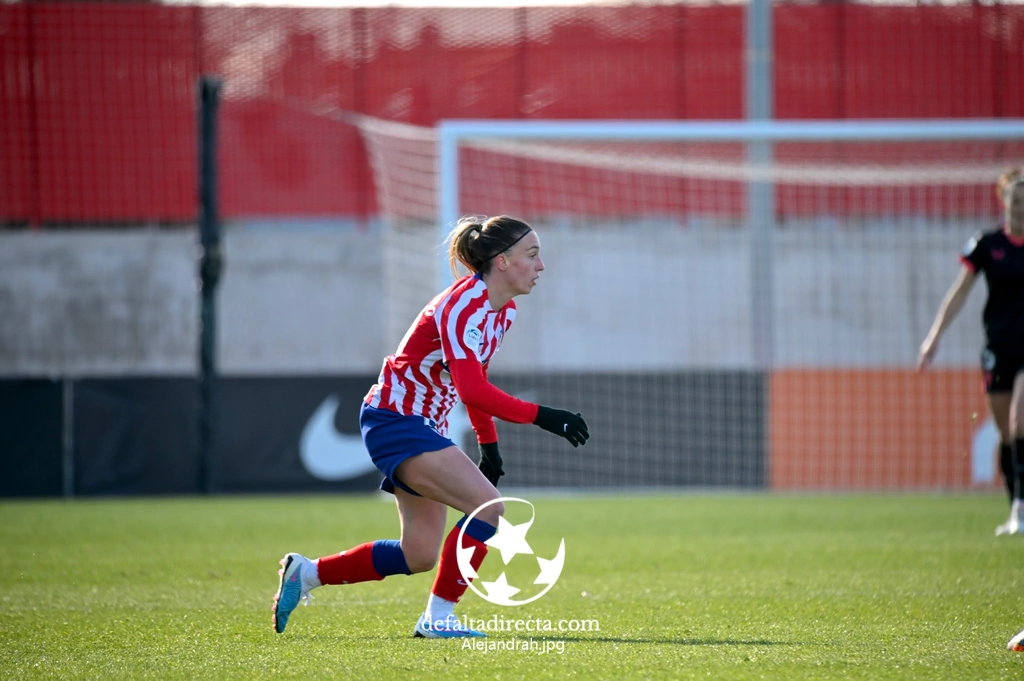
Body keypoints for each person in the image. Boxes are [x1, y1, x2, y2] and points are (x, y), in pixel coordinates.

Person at [271, 215, 590, 638]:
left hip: (422, 426)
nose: (541, 265)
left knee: (418, 554)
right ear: (502, 261)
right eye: (532, 255)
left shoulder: (502, 312)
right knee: (489, 508)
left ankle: (308, 573)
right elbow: (472, 389)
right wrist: (543, 416)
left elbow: (474, 379)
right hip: (397, 421)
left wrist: (489, 444)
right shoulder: (463, 306)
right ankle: (439, 619)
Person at [917, 168, 1024, 535]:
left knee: (1020, 420)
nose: (1021, 207)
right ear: (1004, 202)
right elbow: (960, 291)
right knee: (1006, 434)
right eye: (1015, 200)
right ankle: (1015, 510)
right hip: (998, 347)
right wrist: (934, 336)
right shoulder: (987, 244)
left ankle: (1022, 507)